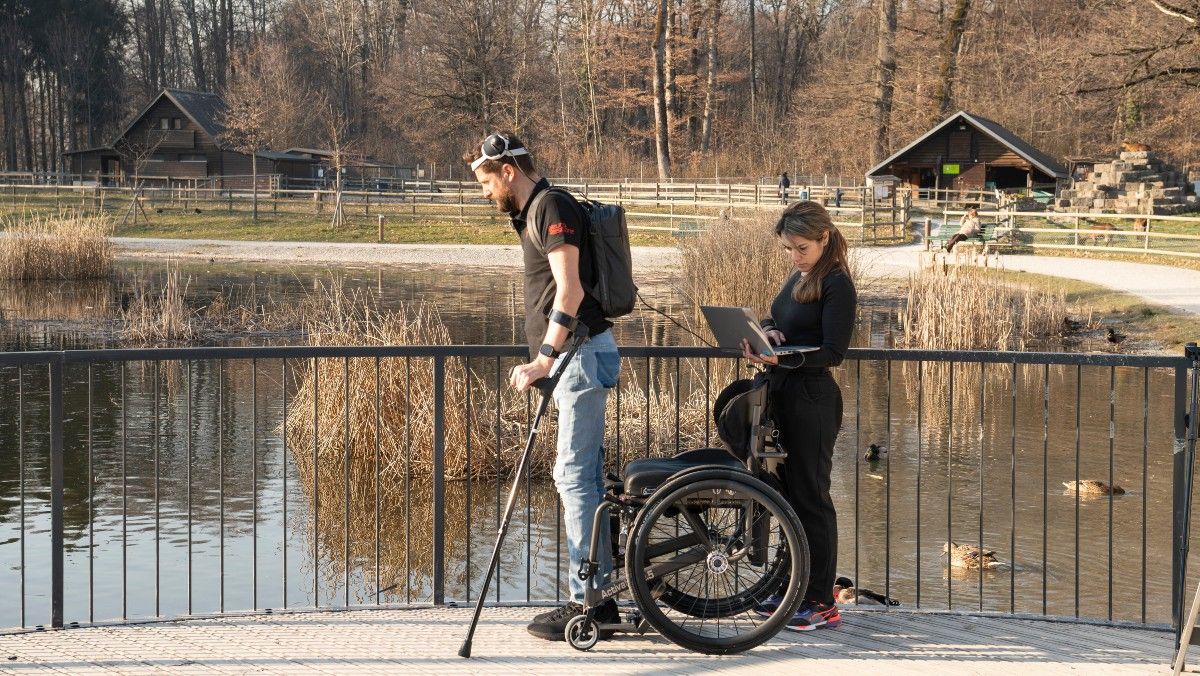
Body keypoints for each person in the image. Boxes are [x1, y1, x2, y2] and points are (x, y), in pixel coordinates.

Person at [465, 132, 621, 640]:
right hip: (575, 359)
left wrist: (542, 360)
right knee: (584, 478)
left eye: (487, 182)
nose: (486, 193)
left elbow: (570, 291)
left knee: (573, 477)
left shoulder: (551, 206)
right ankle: (599, 597)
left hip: (578, 356)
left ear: (508, 171)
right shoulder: (535, 209)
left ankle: (587, 603)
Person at [742, 200, 856, 631]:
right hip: (784, 395)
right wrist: (769, 330)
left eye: (801, 248)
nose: (794, 256)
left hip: (813, 400)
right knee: (788, 500)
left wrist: (783, 359)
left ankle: (822, 601)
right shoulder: (800, 275)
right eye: (788, 248)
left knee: (812, 500)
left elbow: (834, 352)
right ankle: (793, 589)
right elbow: (776, 313)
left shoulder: (837, 283)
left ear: (824, 238)